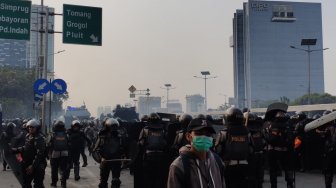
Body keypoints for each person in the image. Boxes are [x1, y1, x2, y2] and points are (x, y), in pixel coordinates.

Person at [167, 118, 225, 188]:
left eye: (208, 134)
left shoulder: (217, 161)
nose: (204, 137)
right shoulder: (179, 166)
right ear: (188, 136)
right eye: (199, 134)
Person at [215, 107, 251, 188]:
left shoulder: (223, 133)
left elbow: (217, 151)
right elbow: (251, 149)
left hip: (229, 167)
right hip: (244, 165)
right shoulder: (247, 132)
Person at [12, 119, 47, 188]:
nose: (30, 128)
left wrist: (33, 166)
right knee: (26, 184)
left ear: (37, 128)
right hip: (28, 164)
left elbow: (40, 154)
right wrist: (15, 150)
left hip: (38, 165)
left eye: (32, 127)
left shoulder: (40, 138)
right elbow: (26, 148)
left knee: (38, 185)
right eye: (29, 127)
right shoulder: (28, 136)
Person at [93, 118, 128, 188]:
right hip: (105, 161)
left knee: (116, 181)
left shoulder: (120, 137)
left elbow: (125, 148)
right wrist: (101, 158)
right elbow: (96, 150)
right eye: (112, 126)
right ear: (107, 127)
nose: (114, 128)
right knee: (103, 182)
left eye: (115, 126)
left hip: (116, 161)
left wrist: (125, 157)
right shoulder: (102, 137)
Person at [264, 111, 295, 188]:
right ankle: (290, 184)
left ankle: (273, 186)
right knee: (288, 169)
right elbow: (292, 140)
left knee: (273, 170)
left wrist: (266, 133)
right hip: (285, 151)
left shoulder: (272, 125)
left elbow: (270, 140)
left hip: (273, 151)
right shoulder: (288, 126)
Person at [138, 113, 168, 188]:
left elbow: (140, 143)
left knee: (148, 178)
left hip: (148, 157)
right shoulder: (163, 130)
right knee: (159, 177)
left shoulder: (145, 130)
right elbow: (166, 143)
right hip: (160, 157)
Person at [316, 111, 336, 188]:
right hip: (331, 150)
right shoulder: (330, 127)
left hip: (330, 151)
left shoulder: (328, 127)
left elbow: (323, 134)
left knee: (328, 171)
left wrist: (318, 131)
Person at [47, 120, 69, 188]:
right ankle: (63, 183)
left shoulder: (52, 134)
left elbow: (48, 144)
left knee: (54, 169)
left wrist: (48, 154)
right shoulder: (66, 134)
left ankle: (54, 183)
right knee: (63, 169)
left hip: (54, 153)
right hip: (64, 153)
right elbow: (69, 144)